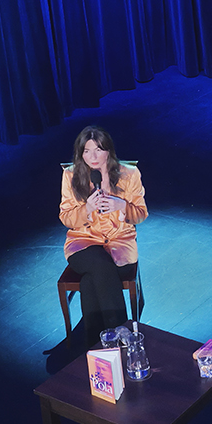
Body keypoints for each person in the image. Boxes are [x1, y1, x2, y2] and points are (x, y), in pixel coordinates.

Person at [58, 126, 147, 347]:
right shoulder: (70, 175)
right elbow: (66, 218)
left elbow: (141, 214)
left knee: (91, 281)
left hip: (119, 244)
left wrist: (122, 206)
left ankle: (95, 345)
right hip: (83, 243)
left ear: (109, 150)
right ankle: (122, 335)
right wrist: (86, 209)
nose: (93, 157)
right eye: (87, 151)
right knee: (99, 265)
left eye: (98, 150)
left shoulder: (129, 174)